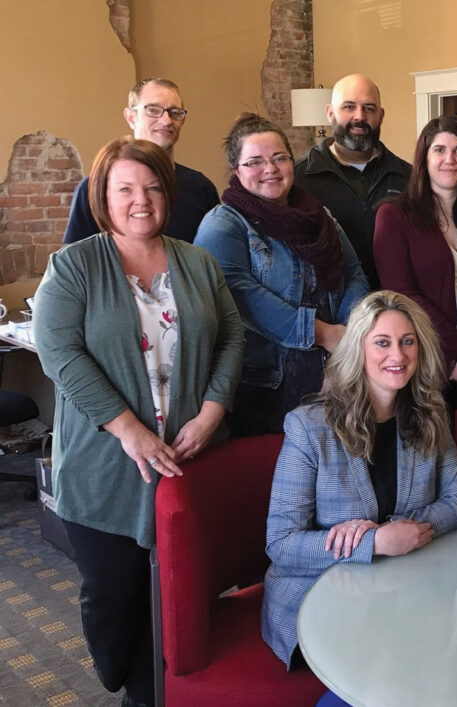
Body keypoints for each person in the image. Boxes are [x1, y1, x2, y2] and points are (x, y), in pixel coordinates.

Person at [33, 136, 243, 707]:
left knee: (178, 594)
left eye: (151, 187)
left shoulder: (197, 261)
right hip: (106, 466)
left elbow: (230, 338)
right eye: (124, 188)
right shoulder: (73, 266)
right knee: (112, 593)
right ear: (103, 196)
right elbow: (59, 354)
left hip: (188, 458)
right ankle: (123, 674)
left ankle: (150, 692)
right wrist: (128, 429)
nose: (140, 200)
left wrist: (212, 411)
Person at [261, 290, 457, 668]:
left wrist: (405, 531)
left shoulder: (429, 415)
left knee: (447, 655)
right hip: (320, 598)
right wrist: (373, 543)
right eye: (382, 343)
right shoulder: (309, 427)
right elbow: (281, 544)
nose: (398, 355)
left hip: (405, 586)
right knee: (400, 663)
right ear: (357, 349)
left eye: (407, 341)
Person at [195, 113, 369, 437]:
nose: (270, 169)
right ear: (236, 171)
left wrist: (346, 336)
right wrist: (323, 335)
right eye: (255, 162)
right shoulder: (223, 224)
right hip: (263, 387)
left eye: (279, 158)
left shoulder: (319, 215)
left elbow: (354, 271)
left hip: (336, 374)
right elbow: (240, 295)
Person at [374, 116, 457, 409]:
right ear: (424, 157)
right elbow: (403, 295)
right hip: (426, 360)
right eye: (439, 150)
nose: (450, 159)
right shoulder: (395, 215)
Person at [63, 78, 219, 244]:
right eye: (153, 110)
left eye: (175, 112)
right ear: (131, 117)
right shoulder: (94, 187)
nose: (166, 120)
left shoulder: (200, 187)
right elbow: (77, 261)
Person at [294, 73, 411, 288]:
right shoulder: (298, 178)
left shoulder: (409, 177)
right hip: (331, 312)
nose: (360, 117)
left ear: (381, 115)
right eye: (349, 107)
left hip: (396, 306)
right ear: (330, 113)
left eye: (369, 108)